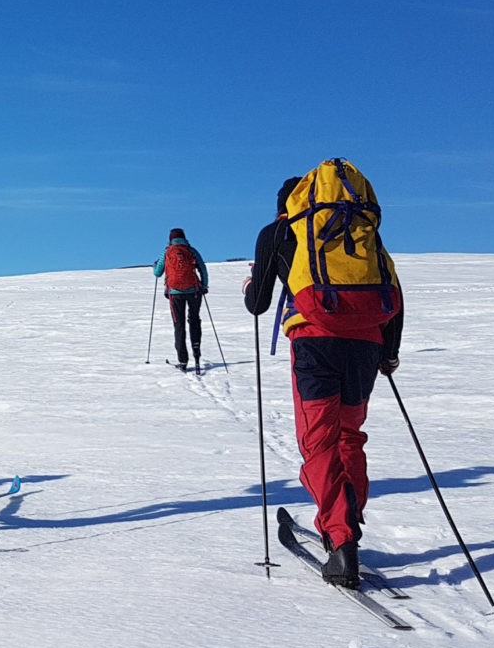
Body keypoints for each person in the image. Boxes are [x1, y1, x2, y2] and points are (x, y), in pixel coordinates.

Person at [243, 166, 403, 588]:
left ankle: (340, 538)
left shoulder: (278, 232)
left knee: (318, 442)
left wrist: (249, 285)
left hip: (315, 343)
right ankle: (348, 521)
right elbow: (391, 289)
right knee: (349, 435)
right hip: (366, 343)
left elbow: (258, 303)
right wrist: (389, 352)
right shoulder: (359, 230)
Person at [153, 227, 209, 372]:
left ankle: (183, 361)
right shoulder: (191, 250)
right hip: (194, 291)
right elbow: (202, 268)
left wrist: (156, 265)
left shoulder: (166, 252)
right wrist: (204, 285)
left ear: (170, 239)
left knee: (179, 325)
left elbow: (157, 273)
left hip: (175, 293)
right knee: (194, 320)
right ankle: (197, 355)